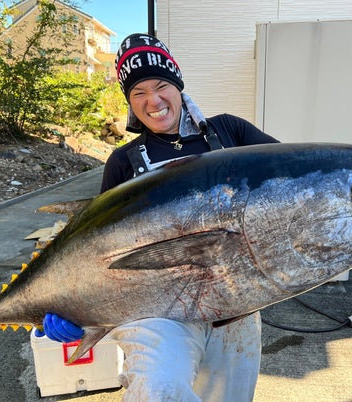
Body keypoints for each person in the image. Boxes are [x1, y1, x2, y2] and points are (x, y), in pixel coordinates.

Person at [36, 33, 279, 401]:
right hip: (156, 311)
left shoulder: (231, 131)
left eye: (161, 85)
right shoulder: (123, 162)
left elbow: (285, 185)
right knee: (158, 388)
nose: (153, 101)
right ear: (130, 101)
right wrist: (72, 304)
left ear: (178, 84)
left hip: (235, 307)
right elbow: (98, 249)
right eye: (139, 92)